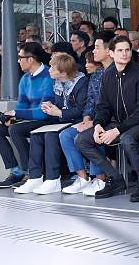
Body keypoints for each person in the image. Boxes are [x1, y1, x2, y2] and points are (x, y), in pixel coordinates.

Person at [76, 36, 139, 202]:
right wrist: (98, 124)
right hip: (118, 123)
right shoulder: (108, 75)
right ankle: (116, 179)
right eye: (120, 50)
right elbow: (103, 106)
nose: (125, 53)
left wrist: (117, 130)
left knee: (127, 139)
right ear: (111, 53)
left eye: (127, 50)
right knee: (82, 139)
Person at [15, 54, 88, 194]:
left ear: (63, 72)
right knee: (37, 134)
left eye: (53, 67)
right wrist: (50, 105)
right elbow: (58, 103)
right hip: (61, 120)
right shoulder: (57, 82)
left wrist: (59, 113)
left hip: (77, 121)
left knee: (51, 135)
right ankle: (35, 177)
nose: (49, 69)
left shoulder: (81, 82)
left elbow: (80, 110)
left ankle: (53, 179)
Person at [0, 43, 55, 188]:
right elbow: (21, 106)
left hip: (48, 119)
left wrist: (17, 114)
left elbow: (43, 112)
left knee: (15, 130)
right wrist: (11, 118)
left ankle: (31, 173)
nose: (18, 61)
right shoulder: (25, 78)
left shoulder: (48, 76)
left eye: (20, 57)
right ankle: (16, 171)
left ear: (31, 59)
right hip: (29, 120)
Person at [59, 31, 113, 196]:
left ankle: (101, 178)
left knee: (89, 136)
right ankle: (82, 177)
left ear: (108, 50)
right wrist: (86, 118)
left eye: (97, 48)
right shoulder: (97, 74)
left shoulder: (116, 73)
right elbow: (90, 101)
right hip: (94, 119)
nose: (93, 51)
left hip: (109, 120)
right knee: (65, 135)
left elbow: (111, 105)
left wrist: (94, 122)